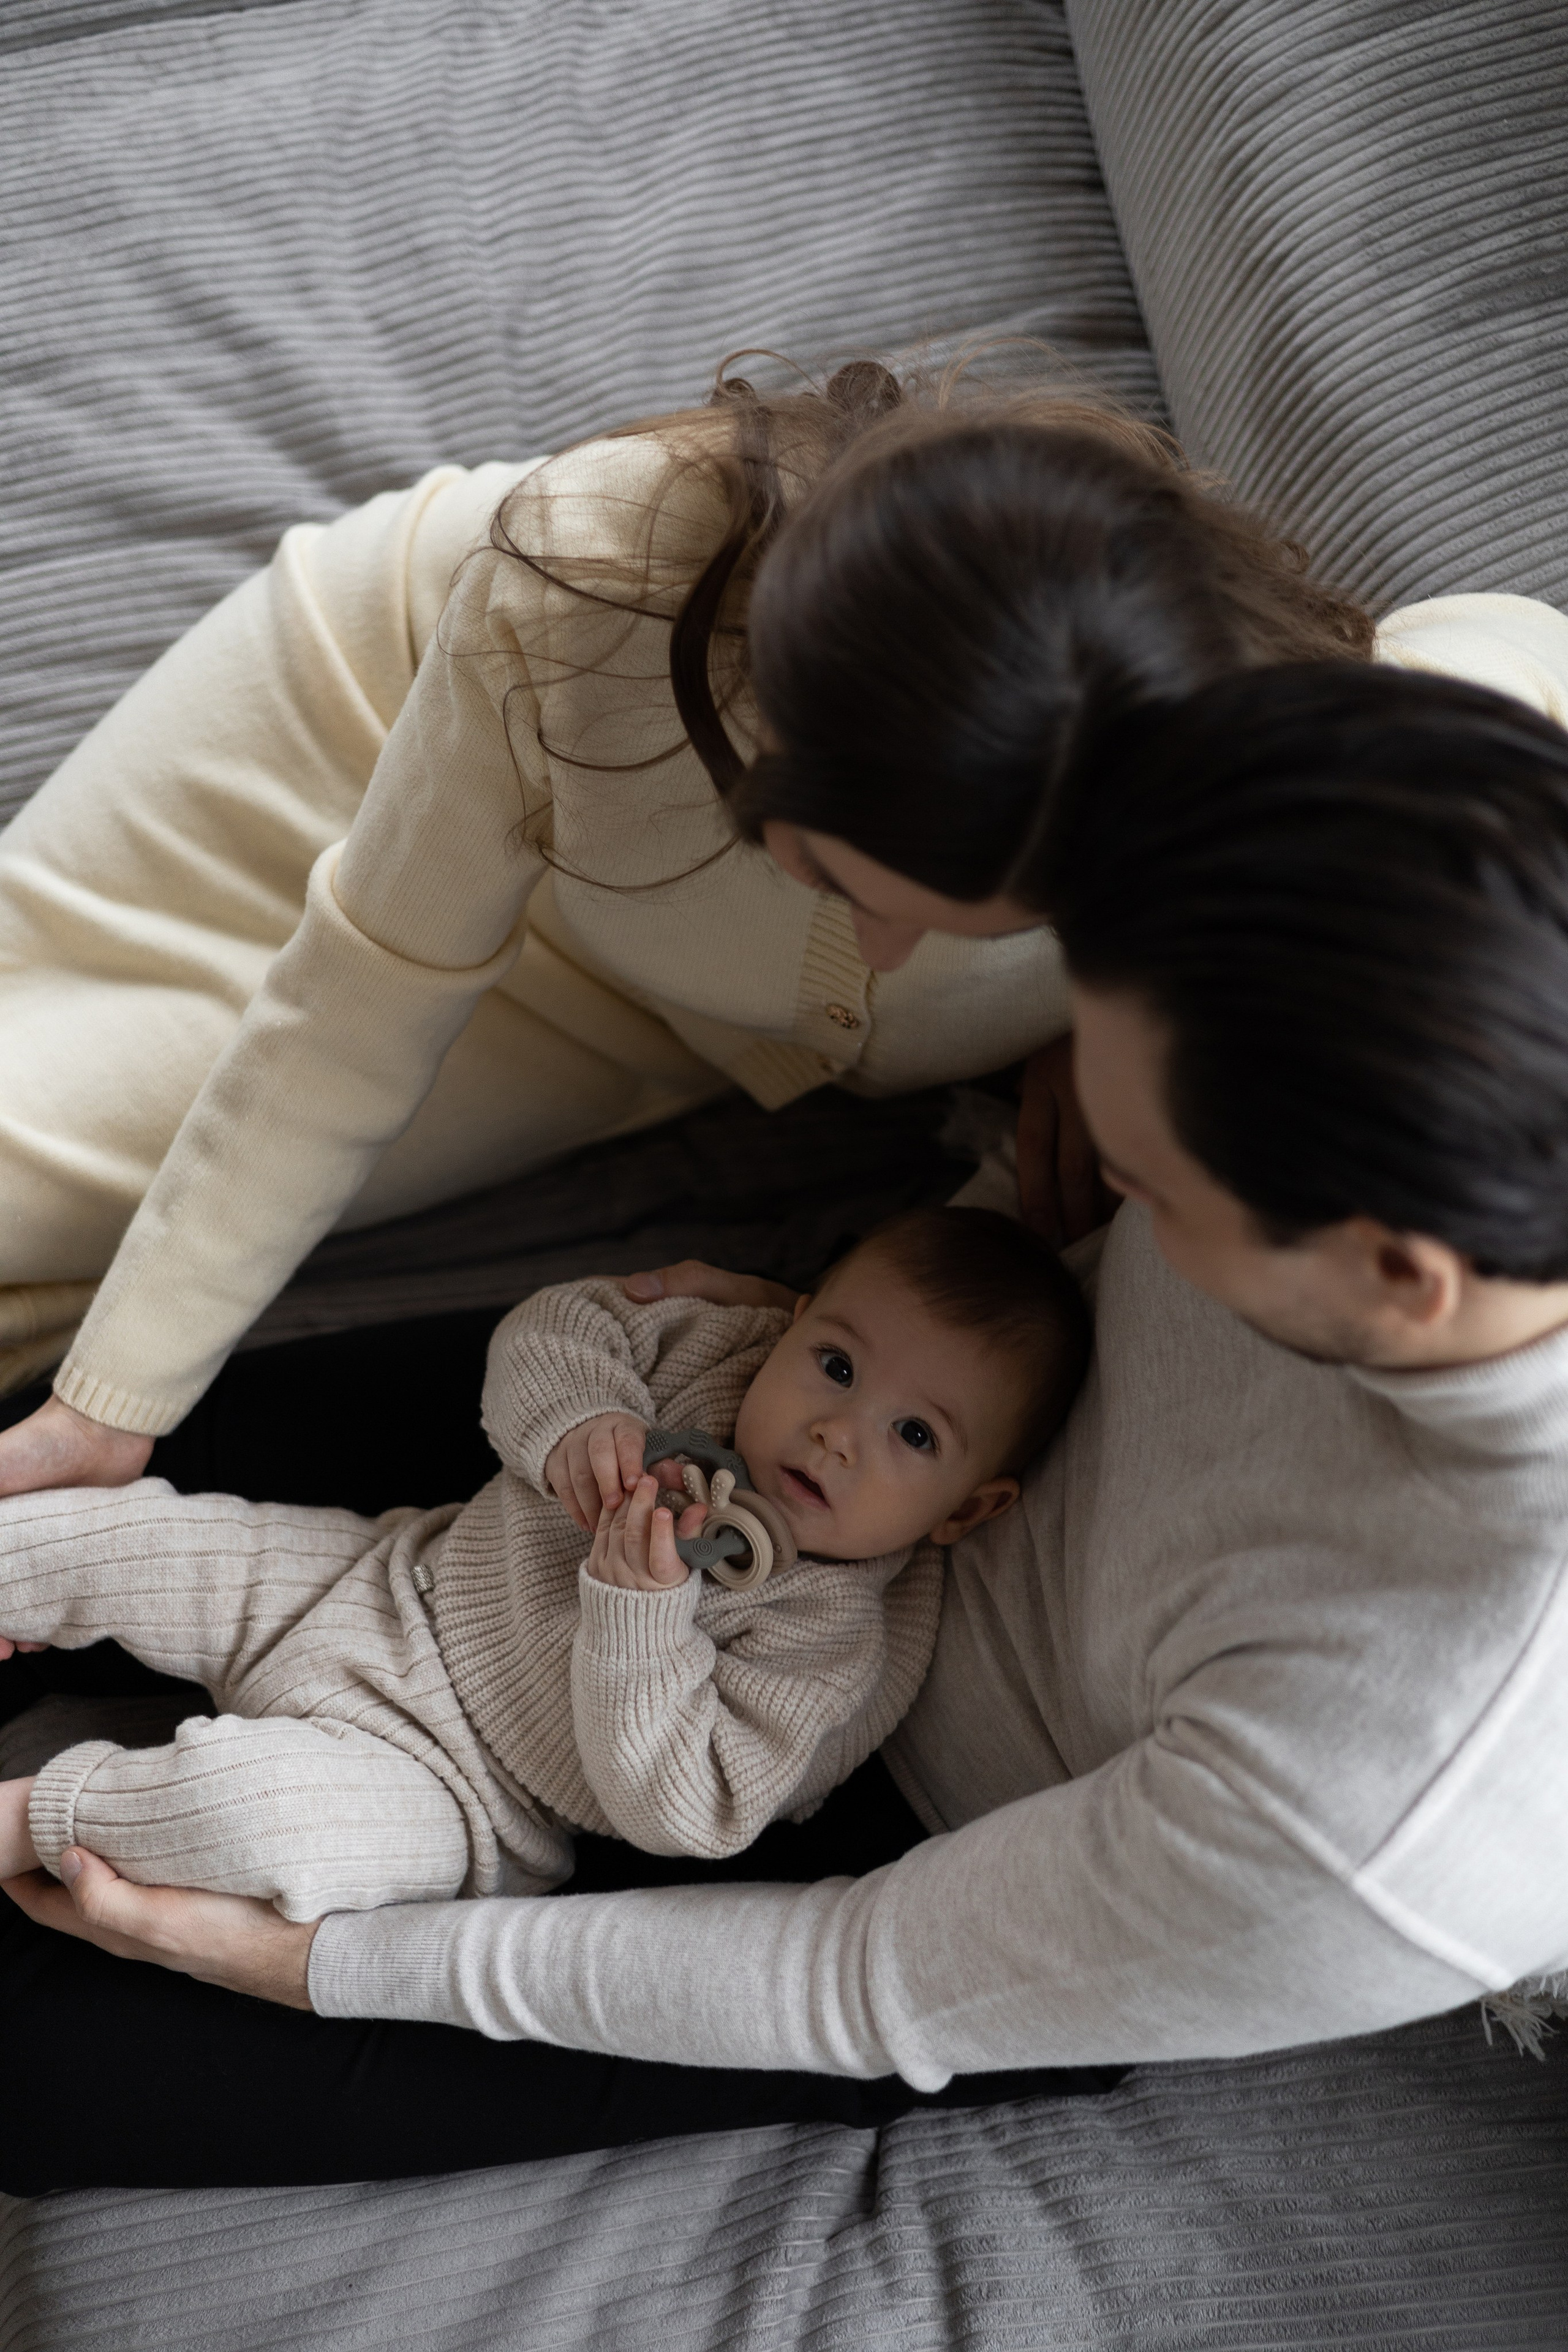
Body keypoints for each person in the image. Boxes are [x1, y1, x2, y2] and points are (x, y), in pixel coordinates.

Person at [10, 664, 1568, 2188]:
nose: (1111, 1158)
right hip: (723, 1416)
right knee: (81, 1470)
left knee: (46, 2052)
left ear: (1396, 1280)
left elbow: (851, 1976)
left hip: (849, 1830)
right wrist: (1036, 1114)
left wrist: (330, 1973)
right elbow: (1489, 631)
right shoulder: (1437, 829)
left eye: (1151, 1181)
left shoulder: (1404, 1802)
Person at [9, 352, 1558, 1501]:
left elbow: (1510, 658)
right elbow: (362, 989)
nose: (888, 965)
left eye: (977, 926)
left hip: (648, 1021)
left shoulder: (1243, 750)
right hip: (389, 756)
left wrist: (1122, 1027)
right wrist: (118, 1402)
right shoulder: (581, 585)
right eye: (835, 885)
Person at [0, 1210, 1086, 1916]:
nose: (838, 1431)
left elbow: (692, 1810)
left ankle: (29, 1815)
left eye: (916, 1437)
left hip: (463, 1792)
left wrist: (640, 1618)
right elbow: (558, 1325)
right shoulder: (717, 1354)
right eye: (837, 1365)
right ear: (791, 1323)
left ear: (967, 1510)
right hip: (372, 1583)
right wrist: (581, 1420)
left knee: (259, 1822)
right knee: (111, 1536)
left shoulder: (837, 1638)